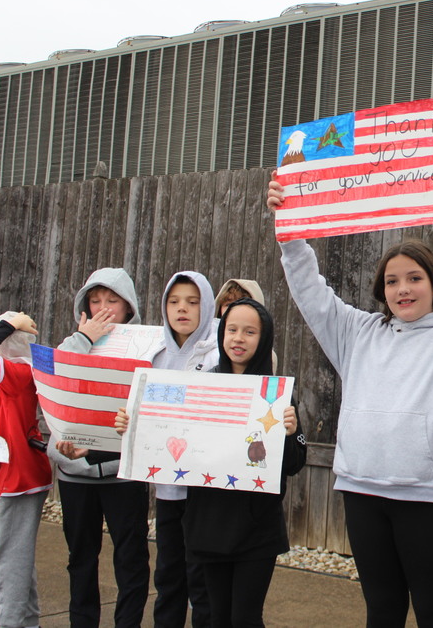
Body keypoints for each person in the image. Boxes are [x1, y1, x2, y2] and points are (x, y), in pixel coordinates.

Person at [267, 177, 433, 627]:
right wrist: (290, 231)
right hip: (361, 490)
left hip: (431, 495)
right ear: (382, 290)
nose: (403, 289)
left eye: (414, 278)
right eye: (392, 281)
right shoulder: (359, 334)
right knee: (382, 610)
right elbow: (312, 295)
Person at [182, 297, 306, 628]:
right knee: (217, 616)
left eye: (250, 332)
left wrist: (290, 433)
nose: (239, 338)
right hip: (210, 521)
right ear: (222, 333)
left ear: (263, 339)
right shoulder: (202, 387)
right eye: (232, 330)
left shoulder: (277, 394)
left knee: (246, 618)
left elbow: (294, 464)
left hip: (256, 526)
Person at [46, 268, 150, 628]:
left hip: (124, 475)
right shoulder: (72, 344)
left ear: (128, 307)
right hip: (76, 474)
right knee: (81, 560)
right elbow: (53, 382)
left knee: (132, 561)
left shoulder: (146, 348)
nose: (103, 308)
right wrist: (82, 338)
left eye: (112, 301)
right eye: (95, 300)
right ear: (84, 306)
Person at [118, 271, 218, 628]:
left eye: (193, 302)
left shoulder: (219, 352)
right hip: (167, 489)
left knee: (203, 582)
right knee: (168, 575)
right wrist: (128, 422)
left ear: (207, 306)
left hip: (206, 491)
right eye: (174, 302)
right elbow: (140, 411)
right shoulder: (153, 355)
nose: (182, 309)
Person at [0, 312, 52, 628]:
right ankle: (26, 622)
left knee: (7, 562)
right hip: (19, 472)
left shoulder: (17, 372)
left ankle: (12, 623)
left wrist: (11, 323)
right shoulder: (5, 377)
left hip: (20, 477)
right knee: (18, 558)